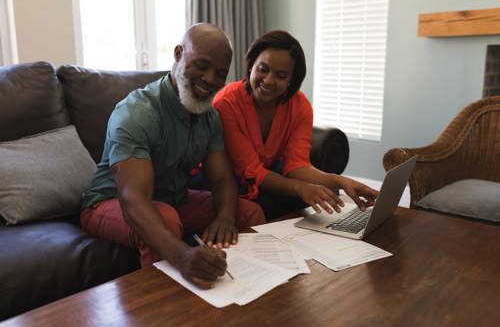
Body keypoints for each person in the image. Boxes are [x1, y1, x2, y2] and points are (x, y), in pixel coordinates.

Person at [80, 23, 266, 289]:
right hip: (109, 202)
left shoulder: (210, 117)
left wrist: (225, 218)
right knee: (165, 217)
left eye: (220, 73)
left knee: (248, 213)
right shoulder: (137, 113)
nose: (211, 79)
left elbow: (222, 178)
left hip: (170, 198)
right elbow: (133, 200)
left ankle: (247, 290)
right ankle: (166, 310)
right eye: (201, 65)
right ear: (178, 54)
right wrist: (183, 256)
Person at [212, 30, 379, 220]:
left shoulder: (300, 106)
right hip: (225, 179)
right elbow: (252, 170)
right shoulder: (226, 103)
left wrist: (340, 181)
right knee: (292, 197)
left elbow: (297, 165)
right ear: (251, 66)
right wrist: (301, 188)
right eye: (263, 69)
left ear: (291, 80)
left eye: (281, 75)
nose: (268, 80)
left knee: (317, 197)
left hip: (263, 177)